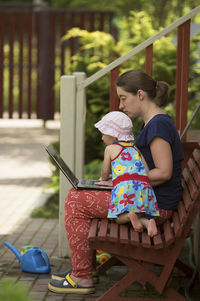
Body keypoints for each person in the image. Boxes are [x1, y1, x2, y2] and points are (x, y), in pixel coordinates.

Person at [48, 69, 183, 294]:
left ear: (140, 94)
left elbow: (164, 172)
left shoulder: (158, 125)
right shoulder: (152, 122)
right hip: (144, 197)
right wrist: (118, 181)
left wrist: (122, 180)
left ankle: (82, 276)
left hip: (154, 205)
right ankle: (84, 269)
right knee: (79, 194)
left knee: (76, 201)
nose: (120, 106)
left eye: (123, 98)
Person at [94, 111, 159, 237]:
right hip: (143, 189)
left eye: (103, 134)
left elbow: (105, 171)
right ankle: (147, 223)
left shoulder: (110, 149)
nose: (102, 138)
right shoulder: (135, 149)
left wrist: (104, 179)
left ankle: (130, 216)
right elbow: (144, 170)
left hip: (125, 189)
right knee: (140, 213)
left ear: (113, 136)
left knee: (117, 218)